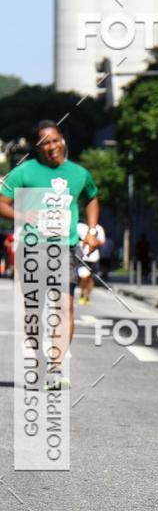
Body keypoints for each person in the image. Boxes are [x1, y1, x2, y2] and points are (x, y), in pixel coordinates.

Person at [0, 120, 100, 389]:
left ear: (62, 141)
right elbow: (1, 202)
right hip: (30, 249)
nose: (53, 146)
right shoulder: (24, 173)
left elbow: (91, 197)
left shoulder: (78, 173)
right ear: (37, 147)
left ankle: (55, 368)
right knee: (34, 311)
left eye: (56, 140)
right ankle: (40, 361)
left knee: (64, 307)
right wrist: (20, 214)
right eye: (46, 142)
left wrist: (92, 230)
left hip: (64, 249)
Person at [77, 221, 106, 303]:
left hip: (94, 258)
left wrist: (93, 241)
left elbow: (102, 242)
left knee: (91, 278)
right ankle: (82, 292)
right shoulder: (79, 226)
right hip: (82, 257)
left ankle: (88, 296)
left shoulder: (98, 228)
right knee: (84, 276)